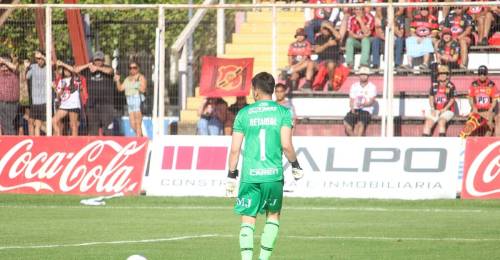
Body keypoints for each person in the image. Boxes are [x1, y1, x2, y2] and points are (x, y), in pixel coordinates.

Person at [225, 72, 303, 260]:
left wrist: (231, 176)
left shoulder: (244, 113)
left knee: (248, 220)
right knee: (273, 217)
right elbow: (286, 145)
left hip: (250, 176)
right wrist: (295, 165)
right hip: (273, 176)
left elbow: (235, 149)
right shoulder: (283, 112)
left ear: (256, 91)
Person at [75, 51, 116, 136]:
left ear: (103, 61)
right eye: (96, 60)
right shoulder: (88, 70)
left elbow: (111, 71)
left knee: (108, 129)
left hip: (106, 104)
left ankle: (108, 147)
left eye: (100, 60)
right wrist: (88, 65)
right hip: (92, 104)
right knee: (93, 129)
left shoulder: (107, 68)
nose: (98, 62)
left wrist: (98, 69)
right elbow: (76, 70)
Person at [460, 65, 497, 138]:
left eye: (484, 74)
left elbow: (495, 100)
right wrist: (473, 107)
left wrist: (490, 110)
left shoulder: (492, 85)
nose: (482, 76)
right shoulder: (474, 84)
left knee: (489, 125)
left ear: (487, 74)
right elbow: (470, 98)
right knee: (470, 124)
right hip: (477, 111)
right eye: (480, 74)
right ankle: (464, 140)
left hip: (488, 111)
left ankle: (486, 143)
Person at [52, 60, 86, 136]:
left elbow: (74, 70)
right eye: (65, 69)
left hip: (73, 104)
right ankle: (58, 138)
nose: (66, 71)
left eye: (67, 69)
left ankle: (74, 143)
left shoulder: (75, 77)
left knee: (73, 125)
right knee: (53, 120)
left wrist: (63, 64)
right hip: (64, 105)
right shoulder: (62, 80)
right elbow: (59, 95)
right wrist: (59, 89)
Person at [114, 61, 147, 137]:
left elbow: (143, 89)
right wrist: (117, 80)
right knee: (132, 124)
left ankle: (139, 140)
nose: (132, 69)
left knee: (138, 124)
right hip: (129, 101)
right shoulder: (127, 79)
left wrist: (135, 84)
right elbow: (120, 88)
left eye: (134, 68)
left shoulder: (140, 77)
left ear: (138, 68)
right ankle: (141, 138)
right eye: (130, 68)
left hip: (137, 100)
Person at [422, 65, 456, 137]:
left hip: (447, 110)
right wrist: (432, 108)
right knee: (428, 122)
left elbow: (452, 99)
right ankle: (424, 145)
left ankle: (442, 143)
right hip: (436, 110)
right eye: (440, 73)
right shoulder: (434, 85)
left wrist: (445, 109)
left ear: (447, 75)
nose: (442, 75)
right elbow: (431, 97)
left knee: (441, 121)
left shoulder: (451, 86)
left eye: (444, 73)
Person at [343, 66, 377, 136]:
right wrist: (352, 109)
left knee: (360, 124)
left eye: (365, 75)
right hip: (355, 109)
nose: (363, 76)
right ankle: (355, 140)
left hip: (366, 110)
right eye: (362, 74)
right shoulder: (354, 86)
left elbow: (371, 101)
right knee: (346, 123)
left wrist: (363, 104)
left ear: (368, 76)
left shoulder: (372, 87)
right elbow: (351, 99)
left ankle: (357, 142)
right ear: (359, 75)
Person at [26, 50, 47, 136]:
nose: (39, 60)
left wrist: (43, 56)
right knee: (31, 122)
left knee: (39, 124)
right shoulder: (33, 67)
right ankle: (32, 140)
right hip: (35, 101)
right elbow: (27, 77)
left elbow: (53, 63)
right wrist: (27, 67)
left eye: (40, 58)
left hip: (44, 101)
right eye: (37, 59)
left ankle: (44, 138)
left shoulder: (48, 67)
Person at [0, 54, 20, 135]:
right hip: (1, 103)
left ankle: (11, 143)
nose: (3, 67)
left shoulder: (14, 73)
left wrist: (4, 61)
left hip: (11, 105)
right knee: (3, 126)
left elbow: (15, 67)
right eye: (1, 65)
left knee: (9, 126)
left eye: (5, 65)